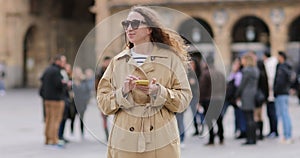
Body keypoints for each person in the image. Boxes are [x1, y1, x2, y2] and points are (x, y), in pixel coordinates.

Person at [97, 6, 192, 158]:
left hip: (161, 138)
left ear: (149, 29)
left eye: (135, 23)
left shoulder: (170, 59)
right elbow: (103, 103)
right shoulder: (118, 61)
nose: (129, 28)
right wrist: (123, 91)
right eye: (126, 24)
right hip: (124, 139)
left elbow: (184, 99)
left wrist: (159, 92)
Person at [40, 54, 70, 148]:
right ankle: (54, 139)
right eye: (62, 61)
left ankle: (47, 138)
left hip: (47, 99)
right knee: (56, 120)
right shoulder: (57, 71)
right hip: (56, 99)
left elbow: (42, 80)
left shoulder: (47, 69)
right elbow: (58, 84)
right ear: (57, 61)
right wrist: (66, 84)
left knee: (48, 119)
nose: (63, 63)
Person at [200, 55, 226, 146]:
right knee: (219, 119)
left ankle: (211, 139)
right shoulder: (220, 73)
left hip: (208, 100)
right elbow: (224, 87)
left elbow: (202, 88)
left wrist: (200, 101)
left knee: (209, 120)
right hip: (219, 99)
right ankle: (221, 137)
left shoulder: (206, 73)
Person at [235, 53, 259, 145]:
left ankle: (250, 139)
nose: (241, 62)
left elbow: (242, 84)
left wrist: (237, 94)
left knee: (248, 118)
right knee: (252, 118)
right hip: (253, 94)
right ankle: (254, 138)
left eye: (243, 60)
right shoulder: (255, 70)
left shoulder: (246, 70)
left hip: (246, 95)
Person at [274, 51, 293, 144]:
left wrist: (275, 91)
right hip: (285, 93)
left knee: (283, 114)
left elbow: (279, 82)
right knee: (286, 114)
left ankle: (287, 136)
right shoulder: (287, 67)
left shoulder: (282, 68)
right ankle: (288, 134)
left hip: (281, 93)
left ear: (281, 57)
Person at [73, 67, 93, 139]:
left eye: (79, 72)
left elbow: (88, 89)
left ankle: (82, 132)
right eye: (77, 72)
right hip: (74, 102)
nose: (78, 74)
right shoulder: (72, 81)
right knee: (72, 117)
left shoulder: (84, 81)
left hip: (82, 102)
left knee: (81, 117)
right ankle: (72, 130)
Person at [95, 56, 112, 141]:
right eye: (107, 62)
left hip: (113, 95)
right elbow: (96, 86)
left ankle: (112, 134)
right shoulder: (99, 72)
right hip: (102, 96)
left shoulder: (114, 70)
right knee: (104, 117)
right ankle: (106, 134)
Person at [263, 51, 279, 138]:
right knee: (271, 113)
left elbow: (270, 79)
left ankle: (274, 131)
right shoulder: (273, 63)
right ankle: (273, 130)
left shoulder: (269, 65)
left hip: (270, 94)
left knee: (271, 113)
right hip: (271, 94)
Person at [255, 60, 269, 140]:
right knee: (261, 116)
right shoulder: (264, 74)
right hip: (262, 97)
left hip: (256, 97)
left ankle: (258, 133)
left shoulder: (258, 74)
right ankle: (261, 133)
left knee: (256, 116)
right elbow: (266, 87)